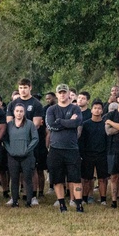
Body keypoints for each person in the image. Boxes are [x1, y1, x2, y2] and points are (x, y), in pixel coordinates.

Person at [46, 84, 84, 212]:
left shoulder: (75, 108)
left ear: (69, 94)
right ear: (56, 95)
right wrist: (67, 122)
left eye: (64, 92)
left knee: (76, 179)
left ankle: (79, 204)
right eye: (60, 93)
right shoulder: (51, 110)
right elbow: (51, 125)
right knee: (57, 179)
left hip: (72, 149)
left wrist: (60, 121)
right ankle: (62, 204)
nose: (62, 95)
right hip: (55, 149)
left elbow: (76, 123)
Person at [4, 103, 38, 207]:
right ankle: (14, 201)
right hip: (13, 156)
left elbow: (35, 138)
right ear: (14, 112)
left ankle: (28, 201)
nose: (19, 113)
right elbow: (5, 140)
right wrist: (10, 151)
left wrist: (27, 150)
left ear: (24, 112)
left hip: (27, 156)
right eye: (17, 111)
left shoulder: (30, 124)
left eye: (21, 111)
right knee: (14, 179)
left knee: (27, 178)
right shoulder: (9, 125)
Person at [79, 100, 109, 204]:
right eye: (95, 108)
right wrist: (82, 154)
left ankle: (103, 199)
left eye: (99, 108)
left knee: (103, 179)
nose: (97, 110)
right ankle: (84, 198)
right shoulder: (85, 124)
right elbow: (82, 141)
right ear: (91, 110)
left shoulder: (105, 124)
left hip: (102, 154)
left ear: (102, 111)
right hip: (88, 155)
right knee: (87, 179)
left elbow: (108, 140)